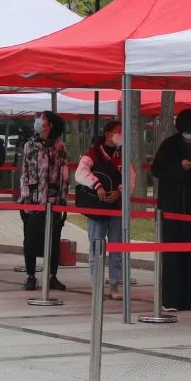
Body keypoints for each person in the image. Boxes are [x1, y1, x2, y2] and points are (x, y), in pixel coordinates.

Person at [151, 108, 191, 312]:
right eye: (188, 132)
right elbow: (157, 170)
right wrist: (180, 168)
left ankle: (189, 298)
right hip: (172, 209)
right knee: (172, 256)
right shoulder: (169, 145)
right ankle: (170, 299)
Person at [74, 120, 131, 300]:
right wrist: (97, 185)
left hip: (116, 208)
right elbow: (80, 173)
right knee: (96, 248)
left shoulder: (122, 156)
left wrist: (120, 192)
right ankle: (96, 285)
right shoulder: (93, 153)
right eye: (118, 131)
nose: (120, 134)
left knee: (117, 248)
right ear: (108, 133)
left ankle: (115, 285)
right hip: (97, 209)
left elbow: (131, 177)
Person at [19, 111, 69, 292]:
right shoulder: (30, 145)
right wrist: (24, 197)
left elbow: (64, 175)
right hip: (33, 201)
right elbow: (24, 172)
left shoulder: (59, 146)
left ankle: (52, 276)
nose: (39, 122)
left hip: (53, 201)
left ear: (50, 124)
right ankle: (30, 276)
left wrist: (63, 200)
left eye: (43, 119)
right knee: (30, 240)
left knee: (53, 241)